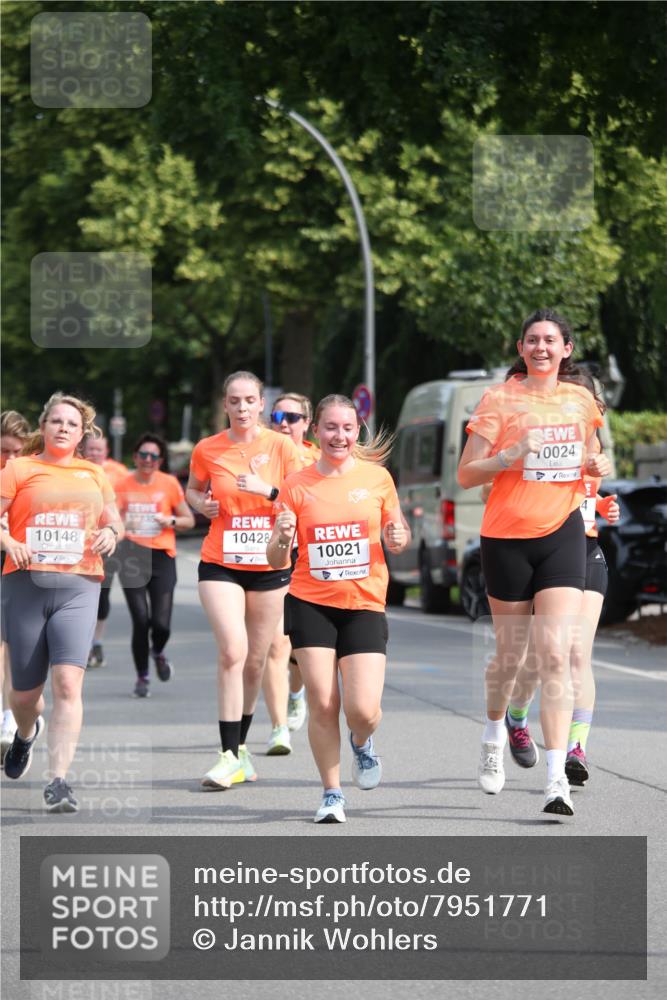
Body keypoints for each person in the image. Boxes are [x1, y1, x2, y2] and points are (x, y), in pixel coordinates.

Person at [458, 309, 610, 818]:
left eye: (550, 340)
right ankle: (492, 733)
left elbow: (591, 460)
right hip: (506, 537)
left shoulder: (581, 400)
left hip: (563, 533)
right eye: (532, 340)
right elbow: (466, 475)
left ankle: (555, 780)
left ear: (566, 349)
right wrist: (511, 456)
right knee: (510, 656)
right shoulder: (499, 400)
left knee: (556, 655)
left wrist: (596, 465)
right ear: (521, 349)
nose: (541, 347)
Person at [267, 394, 410, 824]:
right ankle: (331, 793)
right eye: (331, 427)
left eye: (348, 428)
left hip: (364, 603)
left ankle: (361, 742)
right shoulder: (296, 485)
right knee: (323, 703)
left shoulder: (378, 478)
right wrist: (281, 536)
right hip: (310, 602)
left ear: (357, 431)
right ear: (316, 431)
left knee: (362, 711)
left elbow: (398, 534)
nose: (339, 436)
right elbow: (276, 559)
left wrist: (398, 538)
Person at [0, 392, 123, 812]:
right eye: (56, 421)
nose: (64, 428)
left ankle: (58, 781)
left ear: (82, 433)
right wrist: (8, 541)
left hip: (79, 585)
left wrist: (111, 533)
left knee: (68, 683)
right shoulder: (19, 468)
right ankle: (25, 733)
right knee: (23, 695)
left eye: (72, 424)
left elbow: (114, 520)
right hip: (25, 585)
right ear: (44, 426)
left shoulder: (94, 473)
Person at [186, 371, 301, 789]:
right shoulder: (208, 448)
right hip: (221, 561)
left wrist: (266, 490)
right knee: (233, 651)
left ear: (261, 404)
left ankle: (241, 749)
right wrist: (201, 505)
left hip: (270, 563)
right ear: (225, 404)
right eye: (234, 401)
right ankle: (227, 755)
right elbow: (193, 489)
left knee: (255, 661)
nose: (242, 408)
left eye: (250, 400)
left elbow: (302, 498)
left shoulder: (282, 446)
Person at [503, 434, 619, 785]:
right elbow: (494, 492)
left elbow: (587, 494)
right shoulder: (545, 442)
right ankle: (517, 714)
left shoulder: (591, 444)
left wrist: (602, 505)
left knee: (578, 653)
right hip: (547, 557)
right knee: (541, 656)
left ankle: (576, 748)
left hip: (587, 553)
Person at [262, 393, 320, 754]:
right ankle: (278, 726)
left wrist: (268, 491)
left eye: (293, 417)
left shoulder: (318, 459)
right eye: (277, 416)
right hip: (272, 552)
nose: (284, 423)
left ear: (307, 423)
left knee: (299, 642)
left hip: (310, 556)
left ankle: (296, 694)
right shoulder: (259, 455)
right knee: (276, 643)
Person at [115, 433, 194, 698]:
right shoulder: (122, 485)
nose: (148, 460)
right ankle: (142, 676)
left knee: (161, 624)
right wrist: (120, 527)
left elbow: (188, 520)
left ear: (160, 461)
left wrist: (170, 521)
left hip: (162, 556)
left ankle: (157, 652)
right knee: (140, 620)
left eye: (154, 456)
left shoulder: (169, 483)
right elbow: (112, 520)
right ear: (135, 457)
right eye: (143, 455)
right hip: (131, 555)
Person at [82, 434, 128, 669]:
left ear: (106, 451)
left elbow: (129, 503)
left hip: (109, 538)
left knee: (103, 594)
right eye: (91, 449)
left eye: (99, 449)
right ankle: (81, 642)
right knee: (82, 592)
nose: (95, 453)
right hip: (82, 540)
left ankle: (96, 641)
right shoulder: (77, 469)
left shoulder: (119, 472)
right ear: (84, 449)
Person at [0, 410, 31, 763]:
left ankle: (12, 717)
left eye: (16, 452)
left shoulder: (30, 475)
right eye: (3, 451)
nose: (9, 458)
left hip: (20, 565)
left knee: (11, 645)